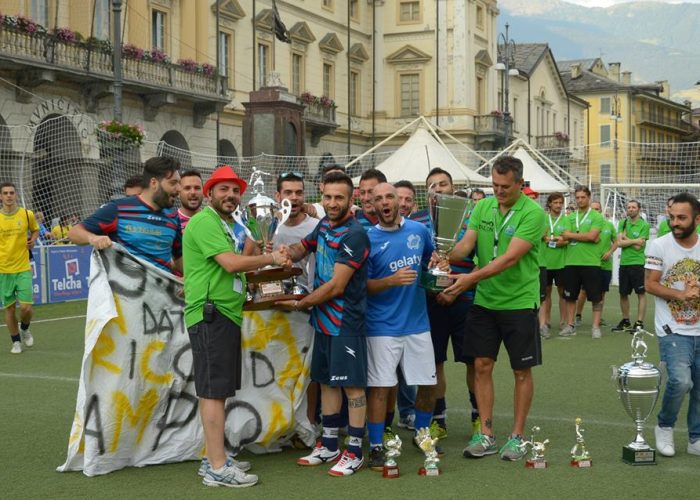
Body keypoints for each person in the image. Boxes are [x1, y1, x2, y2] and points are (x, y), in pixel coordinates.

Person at [184, 165, 291, 487]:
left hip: (223, 313)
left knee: (218, 392)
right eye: (223, 190)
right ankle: (217, 465)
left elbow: (238, 262)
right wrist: (270, 260)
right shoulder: (205, 221)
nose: (230, 195)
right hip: (211, 314)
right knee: (213, 393)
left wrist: (265, 252)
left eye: (235, 191)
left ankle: (214, 458)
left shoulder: (227, 223)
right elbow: (230, 264)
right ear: (210, 193)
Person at [446, 155, 545, 461]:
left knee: (520, 371)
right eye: (494, 185)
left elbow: (509, 259)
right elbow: (467, 245)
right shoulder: (482, 206)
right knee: (481, 366)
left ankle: (517, 436)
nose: (498, 191)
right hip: (485, 301)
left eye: (504, 186)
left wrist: (468, 278)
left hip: (519, 302)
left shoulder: (533, 213)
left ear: (519, 183)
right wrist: (444, 256)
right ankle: (486, 432)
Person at [278, 171, 370, 477]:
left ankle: (354, 450)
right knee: (328, 382)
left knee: (352, 388)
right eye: (328, 197)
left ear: (351, 198)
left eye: (339, 198)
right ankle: (329, 443)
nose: (332, 203)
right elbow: (300, 249)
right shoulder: (324, 225)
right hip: (323, 321)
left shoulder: (355, 234)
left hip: (346, 322)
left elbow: (337, 286)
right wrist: (277, 253)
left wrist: (302, 302)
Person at [363, 183, 438, 471]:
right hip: (381, 327)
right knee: (381, 387)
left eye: (389, 197)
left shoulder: (418, 232)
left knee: (428, 383)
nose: (384, 202)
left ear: (399, 202)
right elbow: (363, 286)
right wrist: (391, 280)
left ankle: (421, 433)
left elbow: (431, 260)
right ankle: (378, 444)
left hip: (418, 323)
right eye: (378, 198)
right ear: (372, 204)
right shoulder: (368, 238)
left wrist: (437, 266)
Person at [416, 167, 480, 447]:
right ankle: (438, 419)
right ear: (427, 191)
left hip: (465, 300)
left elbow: (483, 261)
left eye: (443, 184)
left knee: (473, 362)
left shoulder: (471, 218)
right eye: (433, 185)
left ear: (452, 188)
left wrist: (458, 288)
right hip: (431, 303)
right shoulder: (417, 221)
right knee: (434, 363)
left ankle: (478, 417)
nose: (438, 189)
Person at [645, 192, 700, 458]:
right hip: (672, 329)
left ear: (697, 219)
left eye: (681, 218)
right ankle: (664, 426)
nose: (675, 222)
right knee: (681, 382)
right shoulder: (659, 245)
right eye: (672, 217)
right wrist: (681, 294)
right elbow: (650, 284)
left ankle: (695, 438)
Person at [68, 157, 183, 274]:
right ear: (154, 183)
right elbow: (74, 233)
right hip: (125, 291)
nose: (179, 189)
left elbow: (179, 260)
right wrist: (93, 238)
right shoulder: (119, 208)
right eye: (173, 183)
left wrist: (189, 278)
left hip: (162, 291)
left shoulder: (173, 215)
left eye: (179, 183)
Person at [272, 171, 320, 430]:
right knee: (281, 366)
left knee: (308, 368)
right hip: (277, 306)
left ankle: (309, 422)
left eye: (299, 192)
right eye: (288, 192)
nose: (294, 197)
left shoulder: (315, 227)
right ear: (277, 196)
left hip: (308, 306)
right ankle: (280, 423)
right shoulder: (270, 225)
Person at [560, 186, 605, 339]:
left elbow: (593, 236)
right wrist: (584, 236)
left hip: (591, 262)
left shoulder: (597, 217)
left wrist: (572, 235)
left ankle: (595, 327)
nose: (579, 200)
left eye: (582, 197)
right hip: (571, 262)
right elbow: (564, 235)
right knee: (570, 296)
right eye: (577, 197)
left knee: (596, 297)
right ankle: (570, 324)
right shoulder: (569, 217)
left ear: (589, 197)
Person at [0, 182, 39, 354]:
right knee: (9, 308)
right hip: (3, 270)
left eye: (12, 193)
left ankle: (25, 328)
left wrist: (34, 240)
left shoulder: (26, 214)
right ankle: (16, 342)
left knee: (25, 308)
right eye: (5, 193)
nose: (9, 196)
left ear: (16, 195)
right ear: (0, 197)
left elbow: (35, 230)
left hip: (23, 267)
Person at [576, 202, 617, 327]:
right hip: (590, 263)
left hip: (605, 265)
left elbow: (616, 242)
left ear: (601, 210)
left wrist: (609, 252)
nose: (595, 210)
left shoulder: (609, 226)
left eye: (597, 209)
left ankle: (598, 318)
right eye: (593, 209)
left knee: (602, 293)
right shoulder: (587, 225)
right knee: (584, 291)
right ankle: (578, 315)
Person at [612, 200, 649, 333]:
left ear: (639, 209)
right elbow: (619, 243)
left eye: (633, 207)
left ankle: (639, 323)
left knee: (641, 293)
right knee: (623, 294)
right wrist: (634, 240)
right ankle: (626, 321)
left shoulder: (644, 225)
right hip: (624, 264)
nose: (631, 209)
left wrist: (626, 239)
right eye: (629, 207)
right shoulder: (623, 223)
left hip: (638, 264)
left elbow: (640, 247)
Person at [539, 193, 568, 339]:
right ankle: (547, 321)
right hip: (545, 262)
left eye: (560, 202)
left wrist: (550, 240)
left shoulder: (566, 219)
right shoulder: (543, 218)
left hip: (561, 262)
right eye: (555, 202)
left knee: (562, 293)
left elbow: (566, 240)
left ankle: (563, 321)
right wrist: (557, 239)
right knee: (546, 293)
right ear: (549, 204)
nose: (558, 205)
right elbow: (541, 237)